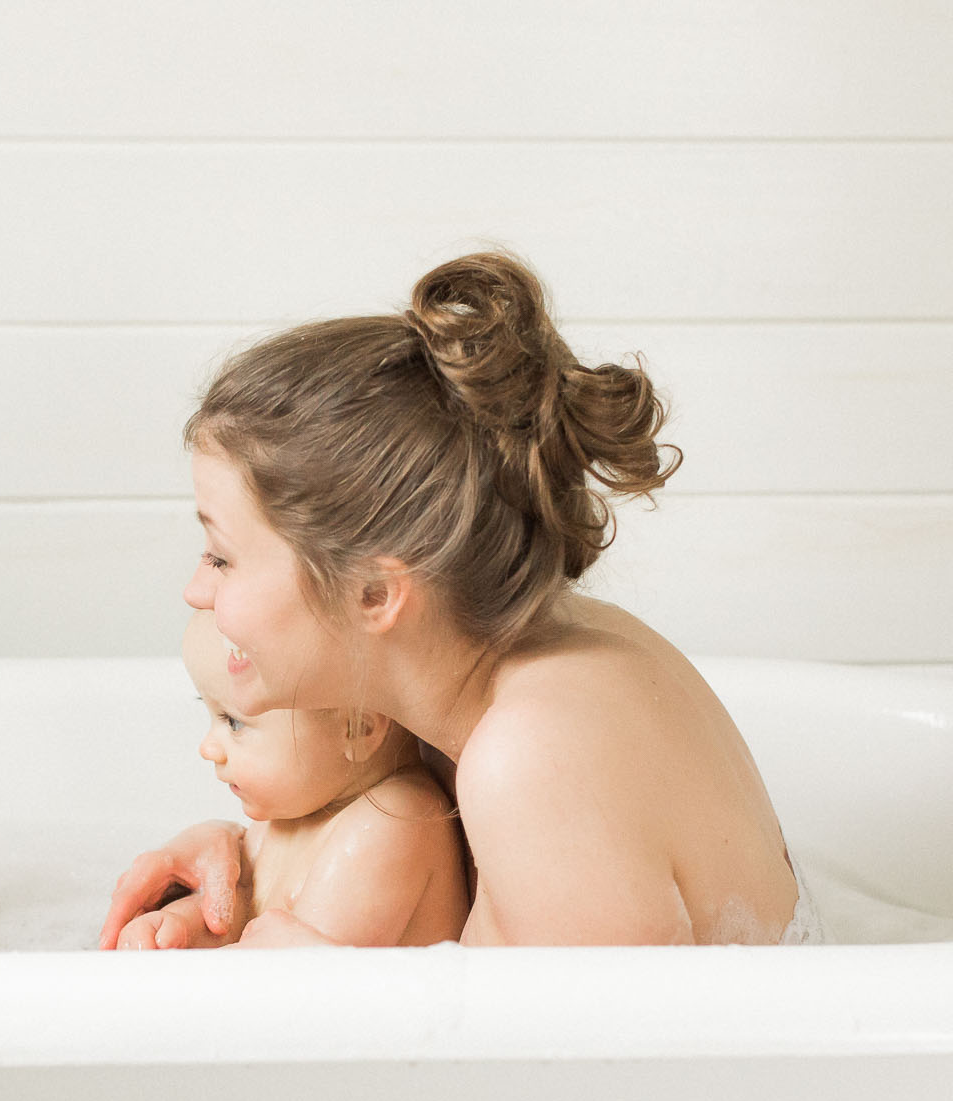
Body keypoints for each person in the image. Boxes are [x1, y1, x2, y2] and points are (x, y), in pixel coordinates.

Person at [100, 252, 823, 949]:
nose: (196, 590)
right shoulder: (460, 676)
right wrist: (251, 864)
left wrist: (328, 989)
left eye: (221, 556)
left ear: (375, 594)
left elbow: (616, 1034)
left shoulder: (530, 755)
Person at [115, 610, 467, 949]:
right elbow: (239, 913)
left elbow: (296, 979)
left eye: (233, 722)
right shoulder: (293, 810)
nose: (208, 748)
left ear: (357, 728)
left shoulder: (393, 822)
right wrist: (182, 925)